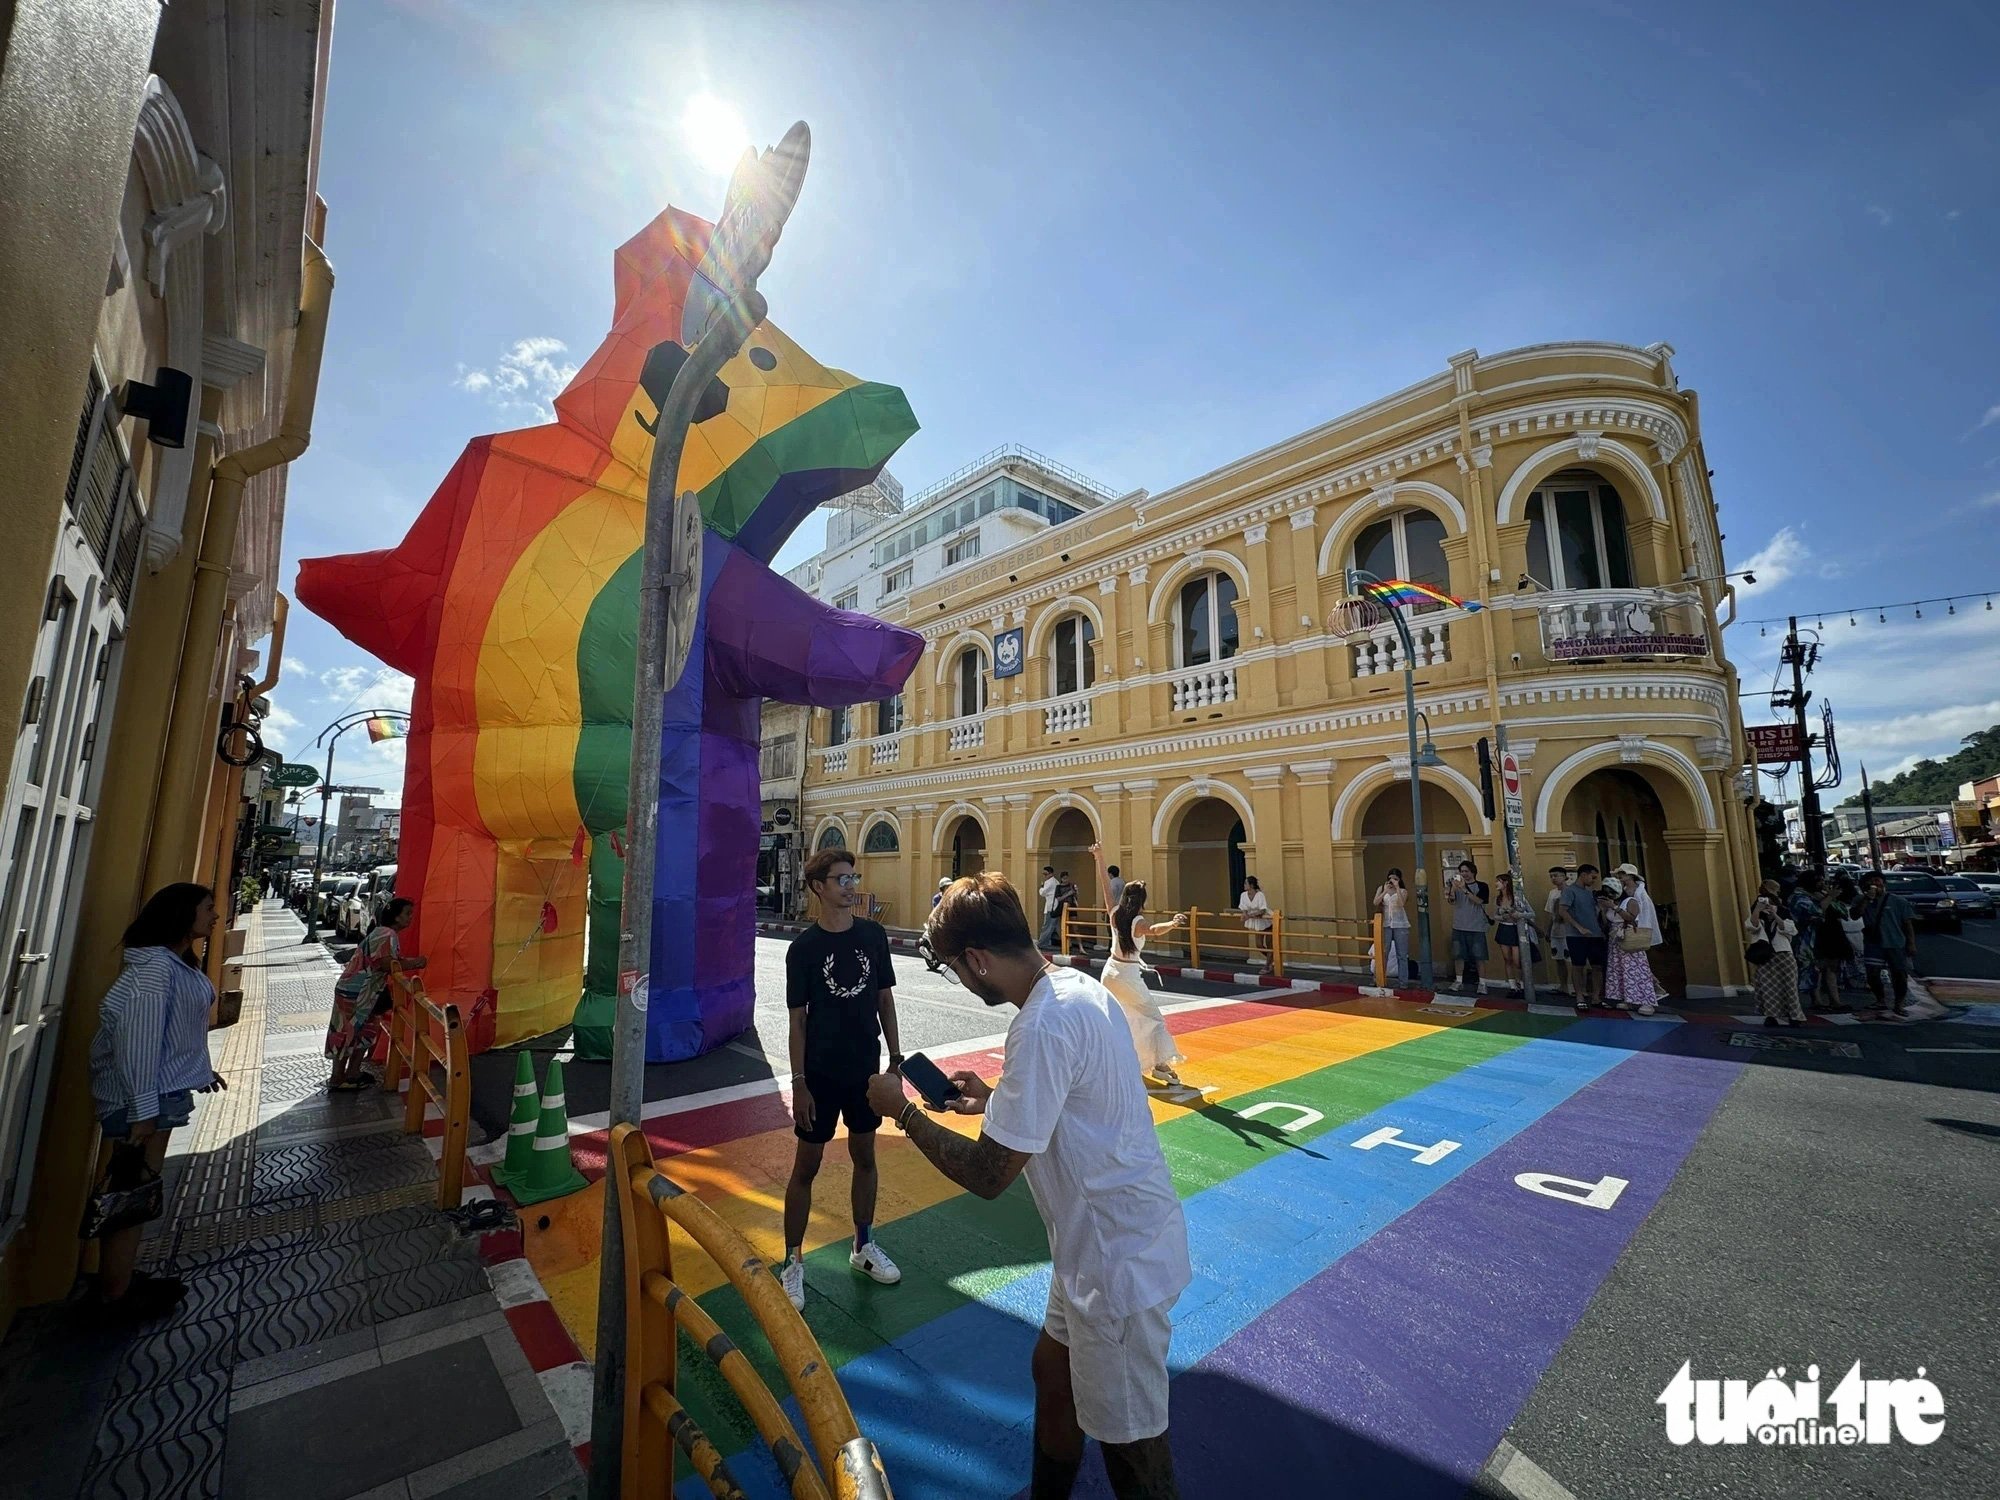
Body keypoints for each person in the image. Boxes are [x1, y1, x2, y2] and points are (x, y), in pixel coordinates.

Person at [870, 873, 1190, 1500]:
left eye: (959, 970)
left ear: (980, 960)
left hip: (1114, 1262)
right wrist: (995, 1098)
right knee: (1053, 1372)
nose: (962, 982)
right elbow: (1072, 1096)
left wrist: (903, 1111)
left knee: (1132, 1445)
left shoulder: (1040, 1025)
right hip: (1097, 1247)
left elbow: (990, 1175)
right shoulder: (1075, 987)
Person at [88, 884, 229, 1319]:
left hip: (157, 1093)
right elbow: (139, 1043)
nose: (215, 917)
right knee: (131, 1194)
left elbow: (171, 1035)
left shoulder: (169, 964)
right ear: (183, 915)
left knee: (137, 1190)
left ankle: (120, 1278)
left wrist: (199, 1072)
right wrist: (144, 1111)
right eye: (208, 909)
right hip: (143, 1100)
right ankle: (115, 1292)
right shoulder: (154, 971)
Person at [782, 847, 905, 1310]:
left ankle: (863, 1246)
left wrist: (895, 1058)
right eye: (842, 880)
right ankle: (793, 1261)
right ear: (818, 887)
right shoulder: (804, 950)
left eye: (854, 878)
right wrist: (798, 1082)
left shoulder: (872, 935)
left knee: (866, 1156)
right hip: (819, 1074)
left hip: (864, 1070)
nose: (852, 887)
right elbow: (798, 1022)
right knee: (806, 1167)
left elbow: (884, 1000)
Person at [1092, 843, 1189, 1090]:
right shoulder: (1137, 920)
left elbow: (1104, 883)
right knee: (1153, 1018)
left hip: (1109, 972)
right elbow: (1154, 931)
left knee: (1119, 1019)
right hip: (1128, 976)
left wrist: (1099, 856)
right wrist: (1173, 922)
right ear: (1142, 902)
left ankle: (1108, 1061)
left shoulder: (1114, 913)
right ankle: (1160, 1065)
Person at [326, 896, 425, 1090]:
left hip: (365, 992)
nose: (410, 918)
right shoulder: (386, 934)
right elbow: (386, 963)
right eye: (407, 914)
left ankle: (353, 1073)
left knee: (364, 1032)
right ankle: (338, 1077)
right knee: (348, 1032)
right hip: (356, 991)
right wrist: (416, 963)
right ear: (396, 917)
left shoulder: (385, 933)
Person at [1857, 870, 1919, 1020]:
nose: (1875, 884)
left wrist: (1911, 944)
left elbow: (1907, 923)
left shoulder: (1898, 901)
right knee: (1872, 974)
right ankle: (1880, 1000)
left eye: (1877, 880)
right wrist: (1866, 899)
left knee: (1899, 975)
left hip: (1895, 943)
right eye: (1871, 881)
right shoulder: (1861, 900)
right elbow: (1854, 915)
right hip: (1874, 944)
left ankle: (1899, 1004)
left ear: (1883, 883)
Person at [1601, 872, 1662, 1016]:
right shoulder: (1609, 905)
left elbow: (1632, 918)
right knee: (1618, 969)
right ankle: (1626, 998)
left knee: (1636, 969)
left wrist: (1615, 908)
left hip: (1629, 938)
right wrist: (1603, 909)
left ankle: (1647, 1000)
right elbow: (1606, 922)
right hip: (1615, 941)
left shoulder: (1630, 901)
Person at [1747, 880, 1804, 1027]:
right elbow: (1751, 926)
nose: (1768, 906)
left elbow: (1790, 929)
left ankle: (1794, 1016)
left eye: (1771, 904)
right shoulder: (1760, 919)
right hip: (1765, 956)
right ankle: (1771, 1015)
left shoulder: (1783, 914)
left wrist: (1775, 914)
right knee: (1767, 986)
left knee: (1789, 986)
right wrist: (1757, 910)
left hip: (1783, 953)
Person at [1556, 863, 1607, 1013]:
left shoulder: (1592, 893)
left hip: (1596, 934)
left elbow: (1597, 913)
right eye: (1592, 877)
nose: (1593, 880)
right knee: (1578, 965)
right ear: (1583, 875)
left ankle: (1596, 997)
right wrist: (1578, 927)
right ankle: (1579, 996)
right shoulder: (1570, 891)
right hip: (1576, 935)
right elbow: (1562, 911)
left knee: (1597, 966)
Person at [1814, 877, 1861, 1010]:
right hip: (1820, 935)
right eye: (1820, 881)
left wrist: (1832, 896)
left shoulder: (1827, 896)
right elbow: (1819, 911)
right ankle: (1818, 999)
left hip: (1834, 933)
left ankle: (1834, 1000)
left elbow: (1843, 913)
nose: (1824, 884)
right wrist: (1830, 896)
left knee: (1831, 968)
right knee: (1819, 968)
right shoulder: (1809, 896)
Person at [1444, 860, 1489, 995]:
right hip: (1459, 925)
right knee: (1458, 955)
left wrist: (1464, 889)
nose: (1464, 874)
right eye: (1462, 871)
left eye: (1466, 871)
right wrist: (1452, 888)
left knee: (1479, 956)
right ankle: (1458, 981)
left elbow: (1479, 901)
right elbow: (1451, 900)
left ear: (1473, 872)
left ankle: (1482, 983)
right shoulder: (1456, 886)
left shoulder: (1482, 886)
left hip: (1476, 926)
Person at [1488, 872, 1537, 998]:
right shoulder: (1498, 899)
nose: (1496, 884)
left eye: (1498, 881)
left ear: (1506, 883)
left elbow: (1531, 913)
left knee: (1517, 960)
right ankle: (1512, 986)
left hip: (1516, 929)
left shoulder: (1518, 898)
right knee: (1507, 959)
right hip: (1504, 928)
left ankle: (1521, 984)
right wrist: (1502, 917)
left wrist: (1519, 915)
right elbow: (1494, 915)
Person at [1371, 869, 1411, 985]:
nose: (1392, 881)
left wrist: (1397, 887)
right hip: (1386, 924)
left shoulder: (1403, 891)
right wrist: (1385, 891)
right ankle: (1379, 978)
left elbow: (1402, 903)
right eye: (1390, 879)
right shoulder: (1382, 888)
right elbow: (1375, 902)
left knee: (1402, 954)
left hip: (1400, 924)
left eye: (1395, 879)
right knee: (1384, 952)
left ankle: (1403, 981)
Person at [1542, 867, 1573, 997]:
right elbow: (1551, 914)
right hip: (1556, 929)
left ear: (1564, 876)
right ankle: (1563, 985)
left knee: (1571, 959)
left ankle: (1574, 986)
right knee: (1558, 958)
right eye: (1551, 876)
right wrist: (1548, 930)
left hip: (1569, 929)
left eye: (1556, 875)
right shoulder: (1552, 893)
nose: (1554, 878)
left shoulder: (1571, 891)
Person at [1237, 876, 1272, 967]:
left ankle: (1268, 965)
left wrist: (1249, 916)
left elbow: (1262, 910)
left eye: (1246, 883)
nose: (1244, 885)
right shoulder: (1243, 895)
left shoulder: (1260, 895)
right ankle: (1272, 959)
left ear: (1251, 885)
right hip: (1257, 922)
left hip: (1266, 921)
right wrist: (1244, 915)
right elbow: (1243, 908)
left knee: (1270, 945)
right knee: (1259, 945)